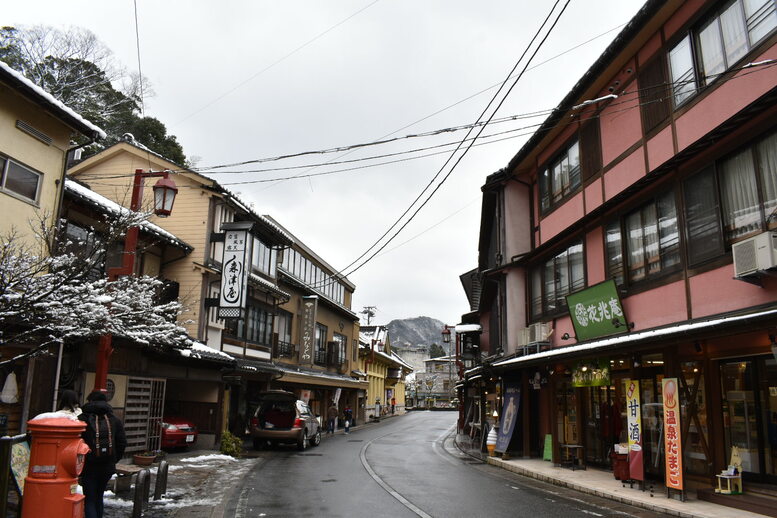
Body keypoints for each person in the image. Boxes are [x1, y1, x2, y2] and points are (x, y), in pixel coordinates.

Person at [79, 391, 127, 518]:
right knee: (99, 497)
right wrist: (114, 459)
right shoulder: (114, 419)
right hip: (107, 466)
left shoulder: (82, 419)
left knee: (89, 499)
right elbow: (122, 442)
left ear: (90, 401)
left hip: (89, 465)